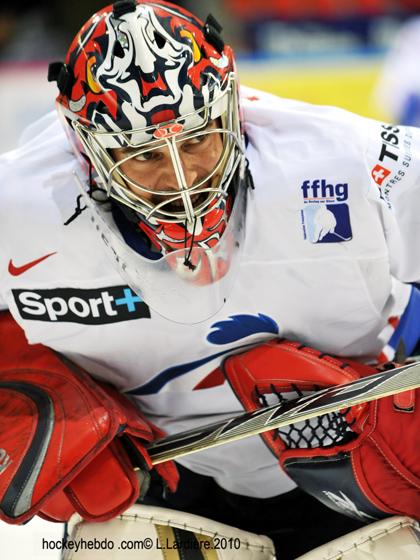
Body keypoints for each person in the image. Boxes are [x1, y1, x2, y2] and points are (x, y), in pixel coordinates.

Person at [0, 1, 419, 559]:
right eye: (143, 154)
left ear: (230, 107)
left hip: (367, 477)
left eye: (197, 139)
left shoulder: (349, 161)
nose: (181, 177)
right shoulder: (19, 207)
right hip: (166, 481)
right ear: (86, 147)